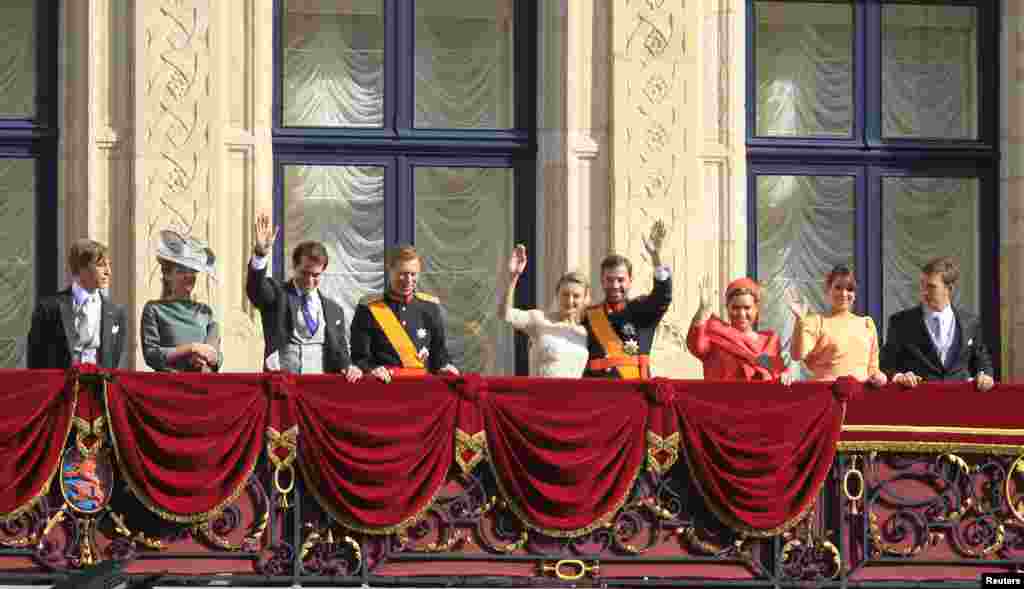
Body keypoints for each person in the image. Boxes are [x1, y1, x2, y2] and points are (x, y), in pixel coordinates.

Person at [246, 213, 362, 381]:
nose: (309, 280)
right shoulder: (277, 295)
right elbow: (256, 289)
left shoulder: (333, 309)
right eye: (304, 272)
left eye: (315, 275)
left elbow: (340, 351)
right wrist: (260, 255)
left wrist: (349, 367)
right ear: (294, 266)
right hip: (283, 386)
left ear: (323, 271)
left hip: (320, 389)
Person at [881, 256, 994, 390]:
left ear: (950, 288)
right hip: (918, 402)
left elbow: (981, 359)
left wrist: (985, 375)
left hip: (960, 402)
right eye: (922, 285)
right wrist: (900, 376)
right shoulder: (901, 322)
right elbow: (886, 365)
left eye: (931, 287)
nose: (924, 292)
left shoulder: (970, 322)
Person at [350, 245, 459, 383]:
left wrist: (445, 366)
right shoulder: (369, 308)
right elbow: (360, 356)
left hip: (421, 389)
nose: (408, 280)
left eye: (413, 274)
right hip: (383, 388)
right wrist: (372, 368)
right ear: (390, 271)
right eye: (402, 273)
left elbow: (439, 353)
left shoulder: (430, 307)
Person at [582, 220, 672, 379]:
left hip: (635, 392)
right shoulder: (588, 315)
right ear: (602, 281)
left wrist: (656, 258)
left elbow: (662, 296)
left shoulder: (642, 310)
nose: (615, 285)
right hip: (597, 395)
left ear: (630, 280)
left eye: (620, 279)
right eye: (609, 280)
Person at [28, 239, 127, 369]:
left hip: (99, 385)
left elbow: (113, 360)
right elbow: (36, 359)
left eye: (109, 265)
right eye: (101, 265)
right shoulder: (49, 308)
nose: (108, 272)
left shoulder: (116, 312)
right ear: (82, 268)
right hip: (62, 385)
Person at [786, 265, 887, 386]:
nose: (844, 294)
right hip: (825, 397)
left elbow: (873, 369)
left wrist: (880, 377)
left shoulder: (866, 324)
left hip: (861, 398)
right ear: (828, 290)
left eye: (850, 289)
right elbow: (797, 355)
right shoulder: (817, 322)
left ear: (855, 294)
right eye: (838, 288)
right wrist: (799, 321)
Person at [499, 244, 590, 377]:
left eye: (576, 296)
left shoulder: (585, 332)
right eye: (565, 294)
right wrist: (513, 278)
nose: (570, 301)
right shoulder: (540, 319)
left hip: (573, 397)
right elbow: (505, 313)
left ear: (585, 299)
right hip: (540, 395)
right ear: (557, 294)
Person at [687, 275, 794, 383]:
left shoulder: (769, 341)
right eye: (735, 308)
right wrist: (702, 313)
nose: (741, 314)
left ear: (756, 309)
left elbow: (777, 371)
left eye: (747, 308)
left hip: (759, 399)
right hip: (722, 398)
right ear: (727, 308)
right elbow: (697, 346)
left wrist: (784, 376)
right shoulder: (715, 335)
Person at [140, 231, 221, 372]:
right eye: (181, 271)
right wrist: (191, 349)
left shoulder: (204, 311)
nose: (188, 276)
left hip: (203, 386)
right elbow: (151, 355)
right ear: (167, 275)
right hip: (170, 387)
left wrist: (209, 358)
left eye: (192, 271)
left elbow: (216, 355)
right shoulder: (154, 309)